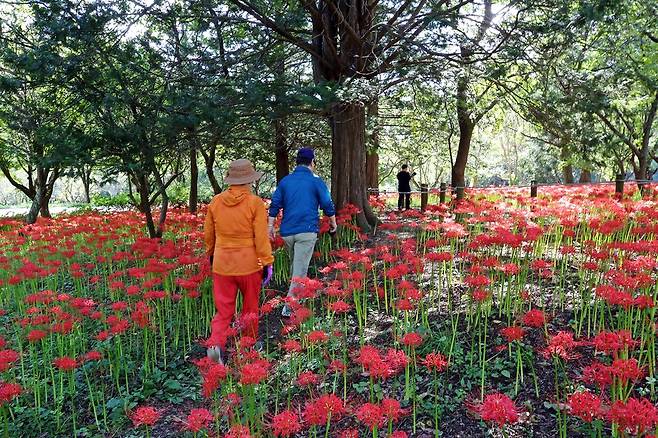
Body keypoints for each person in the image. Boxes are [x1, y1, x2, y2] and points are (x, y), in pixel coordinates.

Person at [204, 159, 274, 364]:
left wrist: (211, 253)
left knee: (224, 309)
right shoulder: (255, 203)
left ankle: (215, 343)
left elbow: (209, 234)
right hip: (248, 263)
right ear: (249, 180)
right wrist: (267, 261)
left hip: (222, 263)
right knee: (250, 307)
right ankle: (248, 347)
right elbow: (261, 237)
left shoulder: (216, 202)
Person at [268, 148, 337, 317]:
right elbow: (327, 204)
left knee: (296, 264)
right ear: (312, 162)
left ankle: (300, 295)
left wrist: (269, 226)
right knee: (300, 268)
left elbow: (275, 204)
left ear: (296, 162)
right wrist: (333, 223)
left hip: (287, 232)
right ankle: (290, 306)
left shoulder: (285, 181)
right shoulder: (316, 181)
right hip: (306, 231)